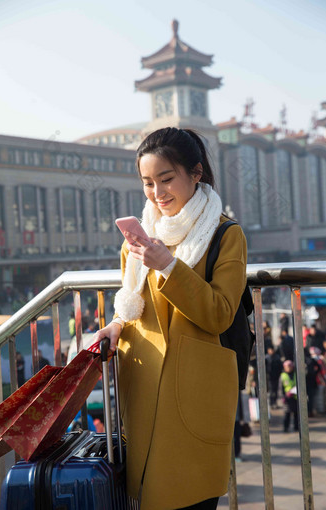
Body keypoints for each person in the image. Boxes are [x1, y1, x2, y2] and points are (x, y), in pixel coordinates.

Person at [93, 127, 247, 510]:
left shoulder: (226, 234)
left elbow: (220, 313)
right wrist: (114, 326)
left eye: (166, 179)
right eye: (147, 183)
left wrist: (169, 266)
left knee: (189, 495)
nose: (157, 193)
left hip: (195, 391)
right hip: (142, 387)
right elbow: (131, 306)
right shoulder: (139, 238)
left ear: (196, 173)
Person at [281, 360, 298, 433]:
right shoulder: (283, 376)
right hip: (287, 398)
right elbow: (280, 388)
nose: (288, 368)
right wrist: (283, 397)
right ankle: (286, 427)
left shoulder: (295, 374)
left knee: (296, 414)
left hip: (295, 397)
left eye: (290, 367)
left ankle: (296, 427)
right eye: (287, 367)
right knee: (287, 414)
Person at [265, 345, 283, 409]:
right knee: (271, 390)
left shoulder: (277, 357)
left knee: (275, 390)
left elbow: (280, 367)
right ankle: (271, 403)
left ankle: (274, 402)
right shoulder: (266, 358)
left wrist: (279, 373)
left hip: (276, 376)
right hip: (269, 377)